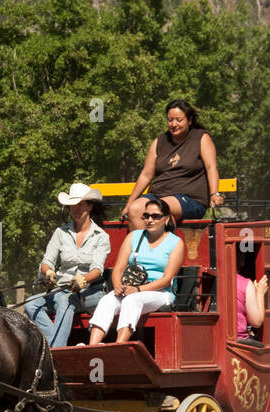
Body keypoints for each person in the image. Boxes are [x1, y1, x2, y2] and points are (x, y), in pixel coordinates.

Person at [87, 195, 184, 345]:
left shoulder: (175, 243)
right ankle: (92, 347)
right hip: (131, 287)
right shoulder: (134, 236)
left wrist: (138, 289)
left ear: (166, 219)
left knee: (132, 300)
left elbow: (167, 279)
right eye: (146, 216)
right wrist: (118, 285)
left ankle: (119, 345)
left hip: (161, 292)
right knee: (107, 300)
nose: (149, 220)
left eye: (155, 216)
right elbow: (119, 268)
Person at [22, 183, 111, 347]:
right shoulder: (60, 232)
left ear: (89, 206)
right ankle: (54, 345)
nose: (75, 210)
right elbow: (47, 261)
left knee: (65, 300)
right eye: (72, 206)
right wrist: (48, 272)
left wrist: (82, 280)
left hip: (90, 293)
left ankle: (55, 352)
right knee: (30, 303)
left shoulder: (101, 236)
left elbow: (97, 270)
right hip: (60, 289)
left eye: (80, 205)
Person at [120, 99, 223, 229]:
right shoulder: (159, 141)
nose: (174, 124)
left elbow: (211, 167)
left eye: (179, 120)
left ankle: (163, 246)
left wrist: (215, 194)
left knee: (157, 210)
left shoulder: (201, 137)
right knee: (135, 209)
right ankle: (145, 248)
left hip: (190, 199)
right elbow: (146, 175)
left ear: (189, 120)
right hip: (158, 194)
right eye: (170, 120)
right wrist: (128, 205)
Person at [236, 270, 269, 340]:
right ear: (241, 262)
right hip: (238, 342)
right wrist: (260, 292)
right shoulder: (245, 283)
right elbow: (256, 322)